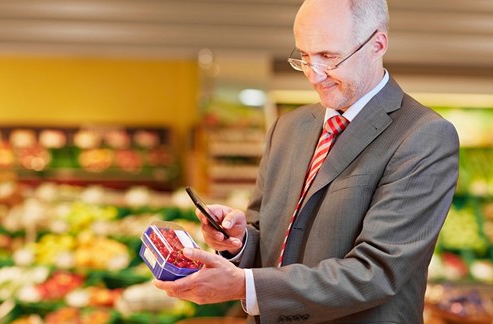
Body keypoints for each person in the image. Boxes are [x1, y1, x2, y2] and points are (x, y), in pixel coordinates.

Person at [154, 0, 460, 322]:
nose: (314, 76)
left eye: (328, 57)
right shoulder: (288, 127)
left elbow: (377, 271)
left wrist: (244, 286)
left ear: (377, 44)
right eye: (304, 56)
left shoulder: (423, 136)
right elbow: (267, 235)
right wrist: (238, 242)